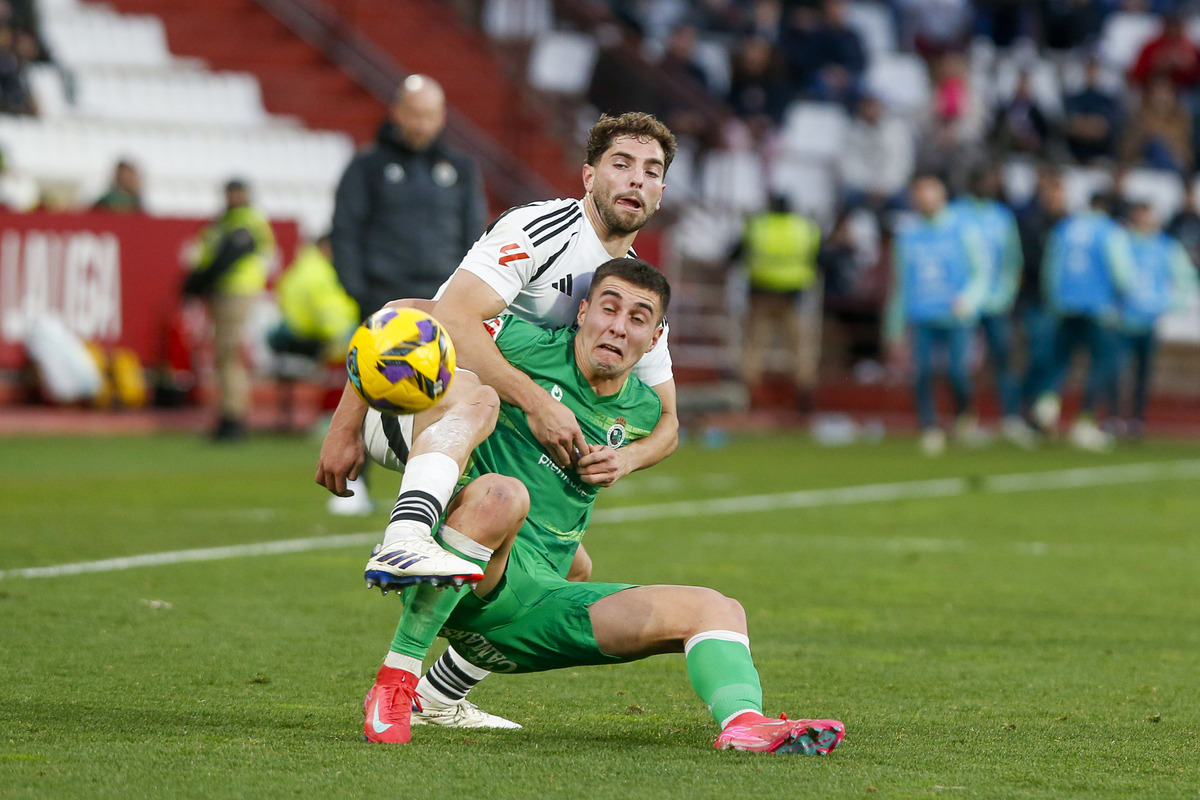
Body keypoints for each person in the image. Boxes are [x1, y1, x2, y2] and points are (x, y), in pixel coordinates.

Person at [359, 258, 846, 754]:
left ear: (654, 339)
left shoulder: (642, 408)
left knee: (716, 608)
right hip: (464, 568)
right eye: (608, 309)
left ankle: (745, 725)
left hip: (537, 601)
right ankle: (396, 678)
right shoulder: (522, 345)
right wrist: (344, 428)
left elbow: (668, 430)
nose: (617, 326)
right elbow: (401, 315)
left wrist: (627, 460)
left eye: (637, 319)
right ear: (582, 312)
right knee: (504, 492)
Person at [316, 111, 682, 723]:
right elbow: (429, 317)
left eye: (651, 171)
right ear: (589, 174)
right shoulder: (540, 230)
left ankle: (440, 697)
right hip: (418, 402)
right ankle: (407, 539)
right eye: (622, 165)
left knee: (567, 562)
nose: (635, 181)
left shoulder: (627, 290)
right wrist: (344, 424)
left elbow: (669, 420)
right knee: (482, 402)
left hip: (484, 441)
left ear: (662, 191)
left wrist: (627, 456)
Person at [328, 73, 486, 510]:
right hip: (383, 299)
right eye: (414, 113)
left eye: (430, 115)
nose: (421, 124)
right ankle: (353, 482)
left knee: (450, 392)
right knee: (369, 391)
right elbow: (346, 232)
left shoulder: (460, 169)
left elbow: (475, 238)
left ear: (442, 118)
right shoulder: (367, 167)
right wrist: (359, 291)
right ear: (397, 113)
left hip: (446, 304)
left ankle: (437, 483)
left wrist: (466, 298)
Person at [884, 172, 989, 455]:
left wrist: (968, 300)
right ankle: (929, 426)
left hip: (955, 315)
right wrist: (893, 328)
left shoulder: (963, 230)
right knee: (922, 372)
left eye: (930, 191)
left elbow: (981, 272)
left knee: (957, 372)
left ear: (942, 195)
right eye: (920, 193)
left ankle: (964, 415)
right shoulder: (908, 236)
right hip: (921, 314)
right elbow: (901, 284)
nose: (925, 198)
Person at [1033, 192, 1135, 452]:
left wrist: (1054, 300)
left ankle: (1047, 407)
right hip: (1099, 308)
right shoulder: (1110, 232)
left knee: (1059, 360)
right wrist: (1123, 299)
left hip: (1066, 305)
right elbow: (1122, 273)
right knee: (1101, 365)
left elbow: (1051, 267)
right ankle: (1085, 422)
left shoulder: (1065, 229)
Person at [182, 178, 276, 441]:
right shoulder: (230, 221)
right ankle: (228, 414)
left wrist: (198, 280)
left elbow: (228, 255)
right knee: (225, 356)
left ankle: (233, 417)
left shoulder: (245, 221)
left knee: (229, 354)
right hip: (226, 292)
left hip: (235, 292)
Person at [949, 164, 1035, 447]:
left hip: (996, 302)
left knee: (1004, 361)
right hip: (964, 301)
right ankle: (965, 417)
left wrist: (1007, 293)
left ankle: (1009, 418)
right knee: (959, 362)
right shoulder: (956, 213)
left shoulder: (1001, 217)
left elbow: (1012, 259)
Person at [1110, 202, 1198, 438]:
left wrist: (1171, 305)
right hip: (1124, 320)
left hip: (1149, 320)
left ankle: (1137, 420)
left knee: (1142, 374)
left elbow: (1186, 277)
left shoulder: (1166, 247)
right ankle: (1115, 417)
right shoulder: (1122, 242)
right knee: (1118, 372)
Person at [732, 194, 822, 410]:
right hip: (793, 296)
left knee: (754, 345)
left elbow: (736, 255)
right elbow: (818, 259)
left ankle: (748, 393)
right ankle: (805, 390)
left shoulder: (758, 226)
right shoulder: (804, 228)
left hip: (760, 294)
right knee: (800, 347)